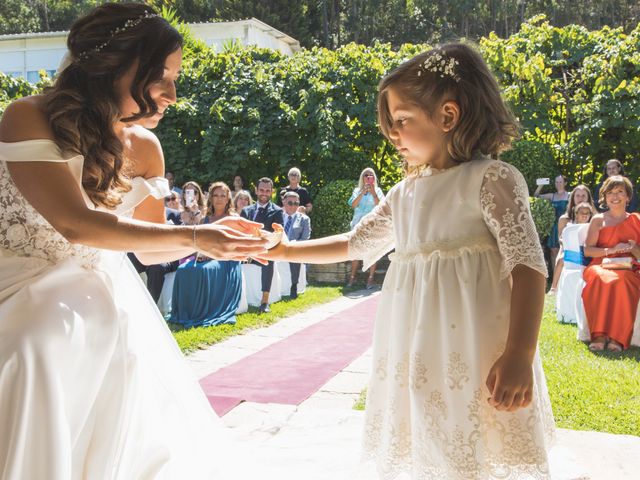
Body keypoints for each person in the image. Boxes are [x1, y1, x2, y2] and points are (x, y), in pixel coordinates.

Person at [0, 3, 268, 478]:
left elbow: (147, 248)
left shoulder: (145, 148)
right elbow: (75, 223)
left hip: (97, 299)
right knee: (34, 343)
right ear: (116, 66)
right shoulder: (26, 117)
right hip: (18, 288)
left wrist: (216, 238)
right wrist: (196, 234)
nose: (172, 94)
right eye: (162, 76)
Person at [263, 43, 555, 479]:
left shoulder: (491, 179)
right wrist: (287, 251)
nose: (392, 135)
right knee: (427, 435)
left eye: (401, 122)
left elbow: (529, 266)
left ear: (448, 116)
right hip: (417, 349)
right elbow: (356, 242)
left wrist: (518, 352)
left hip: (477, 347)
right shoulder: (404, 194)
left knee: (478, 435)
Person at [171, 182, 243, 327]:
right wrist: (201, 254)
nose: (219, 199)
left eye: (223, 196)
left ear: (228, 198)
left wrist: (212, 255)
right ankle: (186, 311)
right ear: (210, 198)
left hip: (226, 259)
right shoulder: (206, 218)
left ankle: (203, 312)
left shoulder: (233, 218)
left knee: (203, 270)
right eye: (215, 195)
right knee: (182, 269)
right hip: (206, 256)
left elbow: (234, 245)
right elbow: (200, 242)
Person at [582, 175, 640, 352]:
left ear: (628, 197)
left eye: (620, 192)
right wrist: (612, 250)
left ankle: (617, 338)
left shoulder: (637, 220)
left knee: (622, 280)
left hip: (628, 266)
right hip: (600, 264)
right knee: (602, 278)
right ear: (605, 197)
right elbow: (588, 250)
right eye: (611, 193)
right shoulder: (598, 220)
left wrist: (634, 247)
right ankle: (599, 334)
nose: (615, 196)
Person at [241, 177, 284, 313]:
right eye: (261, 190)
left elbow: (278, 234)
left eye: (267, 190)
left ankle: (264, 301)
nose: (264, 193)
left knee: (268, 261)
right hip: (247, 250)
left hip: (265, 250)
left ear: (272, 192)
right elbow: (241, 233)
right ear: (256, 191)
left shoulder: (277, 211)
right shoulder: (246, 211)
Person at [549, 184, 597, 292]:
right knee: (561, 259)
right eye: (578, 196)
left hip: (588, 249)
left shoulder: (594, 218)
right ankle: (554, 287)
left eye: (583, 196)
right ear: (573, 198)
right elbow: (561, 240)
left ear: (588, 198)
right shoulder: (564, 219)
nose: (580, 198)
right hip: (569, 249)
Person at [347, 167, 385, 288]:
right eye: (366, 175)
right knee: (356, 250)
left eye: (370, 175)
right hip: (358, 223)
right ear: (362, 178)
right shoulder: (357, 190)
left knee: (372, 250)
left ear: (374, 178)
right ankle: (352, 278)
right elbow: (353, 204)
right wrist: (362, 193)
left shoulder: (378, 190)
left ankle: (371, 278)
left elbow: (381, 206)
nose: (368, 177)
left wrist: (373, 193)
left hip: (372, 223)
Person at [535, 174, 569, 278]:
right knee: (553, 251)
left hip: (566, 225)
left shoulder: (570, 195)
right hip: (554, 226)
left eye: (560, 182)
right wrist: (540, 185)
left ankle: (564, 275)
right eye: (556, 182)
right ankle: (556, 276)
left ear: (565, 183)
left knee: (565, 250)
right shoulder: (552, 195)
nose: (558, 184)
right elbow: (536, 196)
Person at [281, 191, 311, 298]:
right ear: (284, 202)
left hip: (294, 248)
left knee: (296, 256)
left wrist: (292, 245)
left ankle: (294, 285)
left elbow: (305, 238)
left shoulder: (304, 219)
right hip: (278, 247)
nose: (293, 206)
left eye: (296, 203)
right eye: (290, 203)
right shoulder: (278, 216)